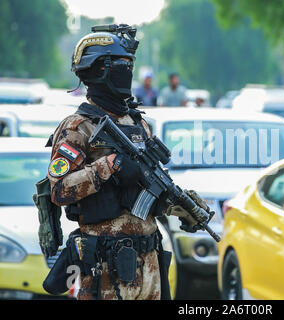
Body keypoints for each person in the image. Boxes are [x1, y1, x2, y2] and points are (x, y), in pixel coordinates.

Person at [46, 24, 205, 300]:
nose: (128, 70)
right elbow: (59, 190)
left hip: (150, 264)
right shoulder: (77, 127)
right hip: (104, 268)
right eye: (121, 63)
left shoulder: (138, 123)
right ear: (99, 69)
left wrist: (179, 205)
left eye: (130, 64)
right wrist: (110, 165)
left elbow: (145, 196)